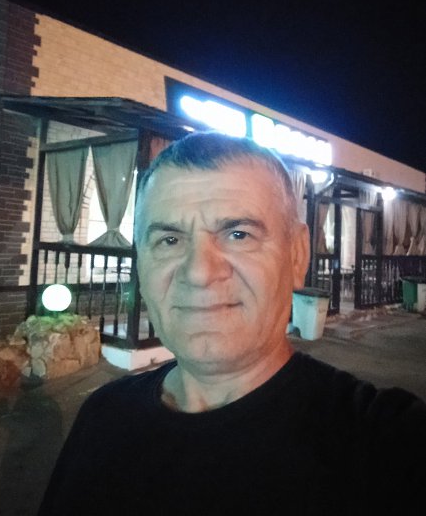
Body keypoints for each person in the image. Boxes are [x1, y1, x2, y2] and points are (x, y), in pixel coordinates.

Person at [38, 131, 426, 515]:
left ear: (297, 255)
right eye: (170, 240)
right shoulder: (103, 418)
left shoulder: (384, 445)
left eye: (238, 234)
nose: (199, 272)